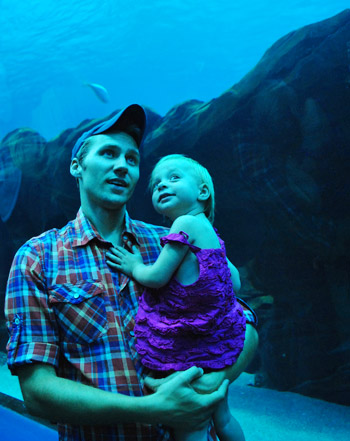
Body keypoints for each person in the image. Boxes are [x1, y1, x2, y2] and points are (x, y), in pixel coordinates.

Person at [5, 104, 258, 441]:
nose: (122, 166)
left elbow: (245, 322)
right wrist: (153, 409)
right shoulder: (38, 257)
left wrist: (216, 379)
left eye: (132, 159)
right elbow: (36, 390)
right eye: (109, 153)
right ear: (76, 166)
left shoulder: (170, 243)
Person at [106, 154, 251, 441]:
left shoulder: (184, 223)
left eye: (173, 178)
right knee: (223, 418)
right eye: (156, 183)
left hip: (187, 351)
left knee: (191, 425)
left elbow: (156, 277)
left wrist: (134, 265)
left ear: (203, 192)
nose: (161, 186)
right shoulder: (213, 235)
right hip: (215, 348)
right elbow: (234, 284)